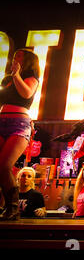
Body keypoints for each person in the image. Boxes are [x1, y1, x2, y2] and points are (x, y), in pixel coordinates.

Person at [0, 48, 40, 221]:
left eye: (20, 56)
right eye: (15, 55)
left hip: (19, 123)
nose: (15, 57)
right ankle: (7, 205)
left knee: (4, 166)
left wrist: (16, 75)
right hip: (1, 121)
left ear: (28, 60)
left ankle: (13, 207)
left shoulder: (31, 78)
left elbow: (26, 93)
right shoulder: (7, 80)